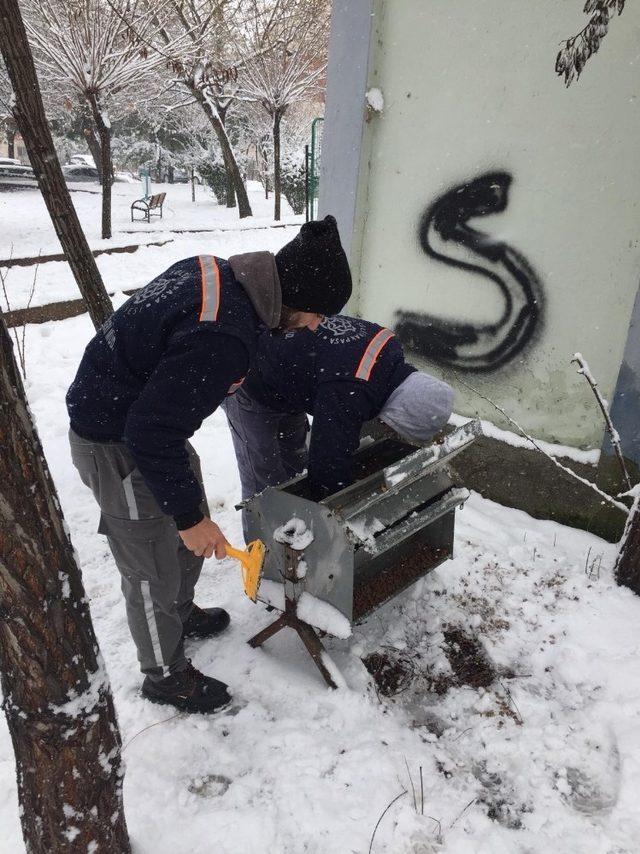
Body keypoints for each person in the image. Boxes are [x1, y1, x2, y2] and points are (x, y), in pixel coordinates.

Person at [66, 215, 352, 714]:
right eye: (314, 314)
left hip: (154, 429)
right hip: (118, 440)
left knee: (184, 529)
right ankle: (164, 674)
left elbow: (164, 413)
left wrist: (188, 516)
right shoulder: (224, 334)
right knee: (151, 564)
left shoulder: (223, 274)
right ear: (291, 296)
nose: (314, 326)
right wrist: (190, 521)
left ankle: (180, 613)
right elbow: (149, 431)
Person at [223, 314, 454, 526]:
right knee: (263, 484)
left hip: (290, 380)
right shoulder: (349, 388)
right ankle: (263, 556)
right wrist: (348, 511)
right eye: (397, 425)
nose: (387, 428)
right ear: (404, 409)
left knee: (294, 467)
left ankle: (293, 538)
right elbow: (328, 464)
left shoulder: (389, 350)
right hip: (250, 380)